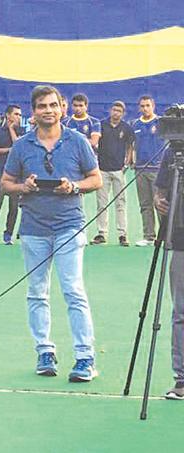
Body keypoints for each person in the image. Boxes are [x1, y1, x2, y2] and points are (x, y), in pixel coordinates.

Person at [1, 85, 102, 382]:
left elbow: (95, 179)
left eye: (53, 105)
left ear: (63, 109)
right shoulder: (21, 146)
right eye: (42, 106)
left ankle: (85, 357)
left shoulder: (78, 141)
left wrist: (73, 186)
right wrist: (24, 187)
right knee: (37, 292)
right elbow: (6, 182)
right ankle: (44, 351)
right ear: (33, 112)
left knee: (73, 290)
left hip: (69, 225)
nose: (48, 110)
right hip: (33, 228)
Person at [153, 146, 184, 400]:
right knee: (182, 311)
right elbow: (160, 188)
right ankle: (182, 379)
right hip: (181, 239)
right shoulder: (175, 148)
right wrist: (159, 200)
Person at [91, 101, 133, 246]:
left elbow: (130, 147)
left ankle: (122, 235)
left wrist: (127, 163)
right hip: (102, 170)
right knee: (102, 203)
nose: (116, 113)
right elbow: (94, 144)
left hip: (118, 171)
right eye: (114, 110)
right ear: (110, 110)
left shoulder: (126, 128)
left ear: (123, 113)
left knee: (120, 203)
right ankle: (102, 233)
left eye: (119, 111)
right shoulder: (101, 125)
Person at [129, 95, 166, 246]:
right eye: (142, 106)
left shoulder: (161, 123)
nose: (145, 108)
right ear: (139, 108)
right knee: (145, 204)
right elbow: (131, 145)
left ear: (153, 106)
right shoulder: (135, 124)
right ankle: (149, 236)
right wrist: (130, 159)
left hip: (157, 169)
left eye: (147, 105)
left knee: (160, 204)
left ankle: (164, 236)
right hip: (140, 169)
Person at [0, 104, 24, 245]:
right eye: (16, 114)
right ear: (8, 115)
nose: (18, 117)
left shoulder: (22, 131)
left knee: (13, 207)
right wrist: (8, 150)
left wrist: (11, 129)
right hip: (0, 173)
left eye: (20, 115)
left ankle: (8, 235)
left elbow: (18, 146)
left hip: (17, 176)